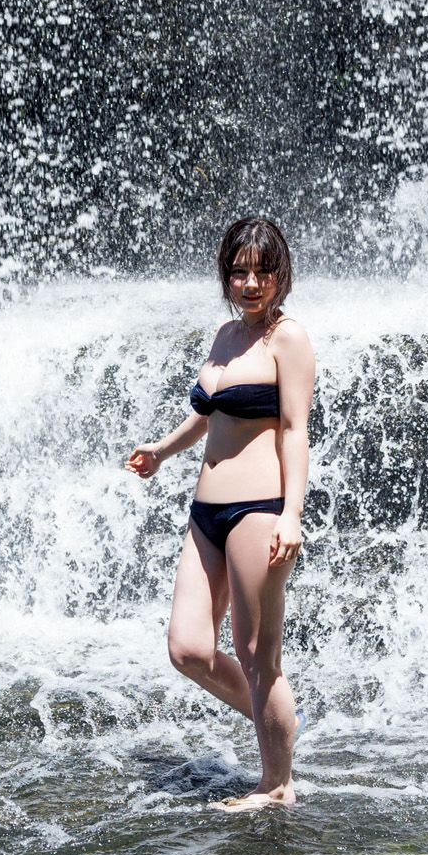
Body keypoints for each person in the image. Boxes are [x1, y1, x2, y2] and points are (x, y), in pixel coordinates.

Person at [125, 215, 315, 810]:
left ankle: (277, 784)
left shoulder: (288, 339)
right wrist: (162, 450)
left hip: (258, 511)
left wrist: (291, 513)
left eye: (262, 272)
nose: (251, 284)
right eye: (239, 273)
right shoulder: (225, 334)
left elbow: (295, 430)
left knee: (258, 656)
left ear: (281, 274)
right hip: (205, 513)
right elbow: (211, 414)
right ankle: (278, 716)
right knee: (188, 648)